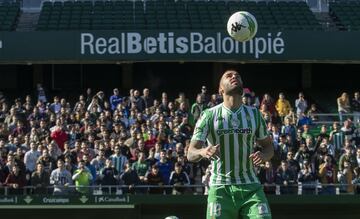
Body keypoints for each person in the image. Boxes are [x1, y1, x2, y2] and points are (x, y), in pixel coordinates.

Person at [187, 70, 274, 219]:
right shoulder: (209, 115)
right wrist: (203, 152)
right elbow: (190, 153)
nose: (234, 77)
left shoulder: (255, 114)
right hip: (220, 188)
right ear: (221, 89)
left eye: (237, 76)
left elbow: (268, 147)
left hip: (251, 187)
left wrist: (264, 155)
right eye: (229, 76)